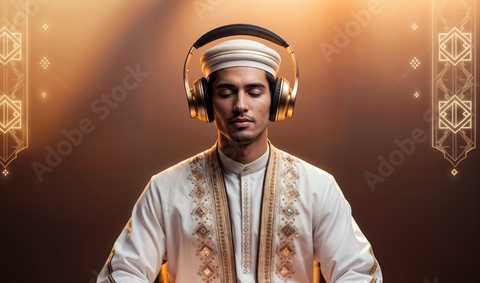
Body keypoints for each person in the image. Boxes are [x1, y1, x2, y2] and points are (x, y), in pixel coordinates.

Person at [97, 33, 383, 283]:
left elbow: (357, 271)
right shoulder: (164, 189)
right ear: (204, 102)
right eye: (226, 92)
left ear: (277, 100)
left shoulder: (318, 186)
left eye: (254, 91)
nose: (241, 105)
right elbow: (125, 272)